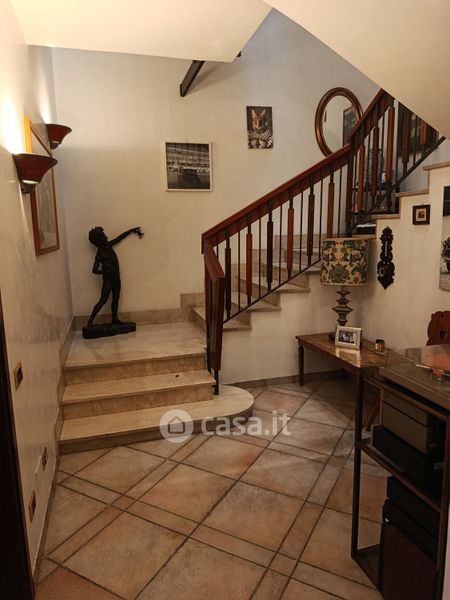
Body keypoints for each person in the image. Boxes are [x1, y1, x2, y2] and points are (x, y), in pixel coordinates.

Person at [87, 226, 143, 325]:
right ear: (100, 239)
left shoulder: (109, 245)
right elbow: (94, 270)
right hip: (108, 279)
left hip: (116, 276)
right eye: (104, 235)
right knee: (103, 300)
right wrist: (105, 272)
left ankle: (114, 319)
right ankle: (90, 321)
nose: (106, 236)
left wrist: (132, 230)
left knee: (116, 298)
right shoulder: (100, 253)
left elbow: (120, 237)